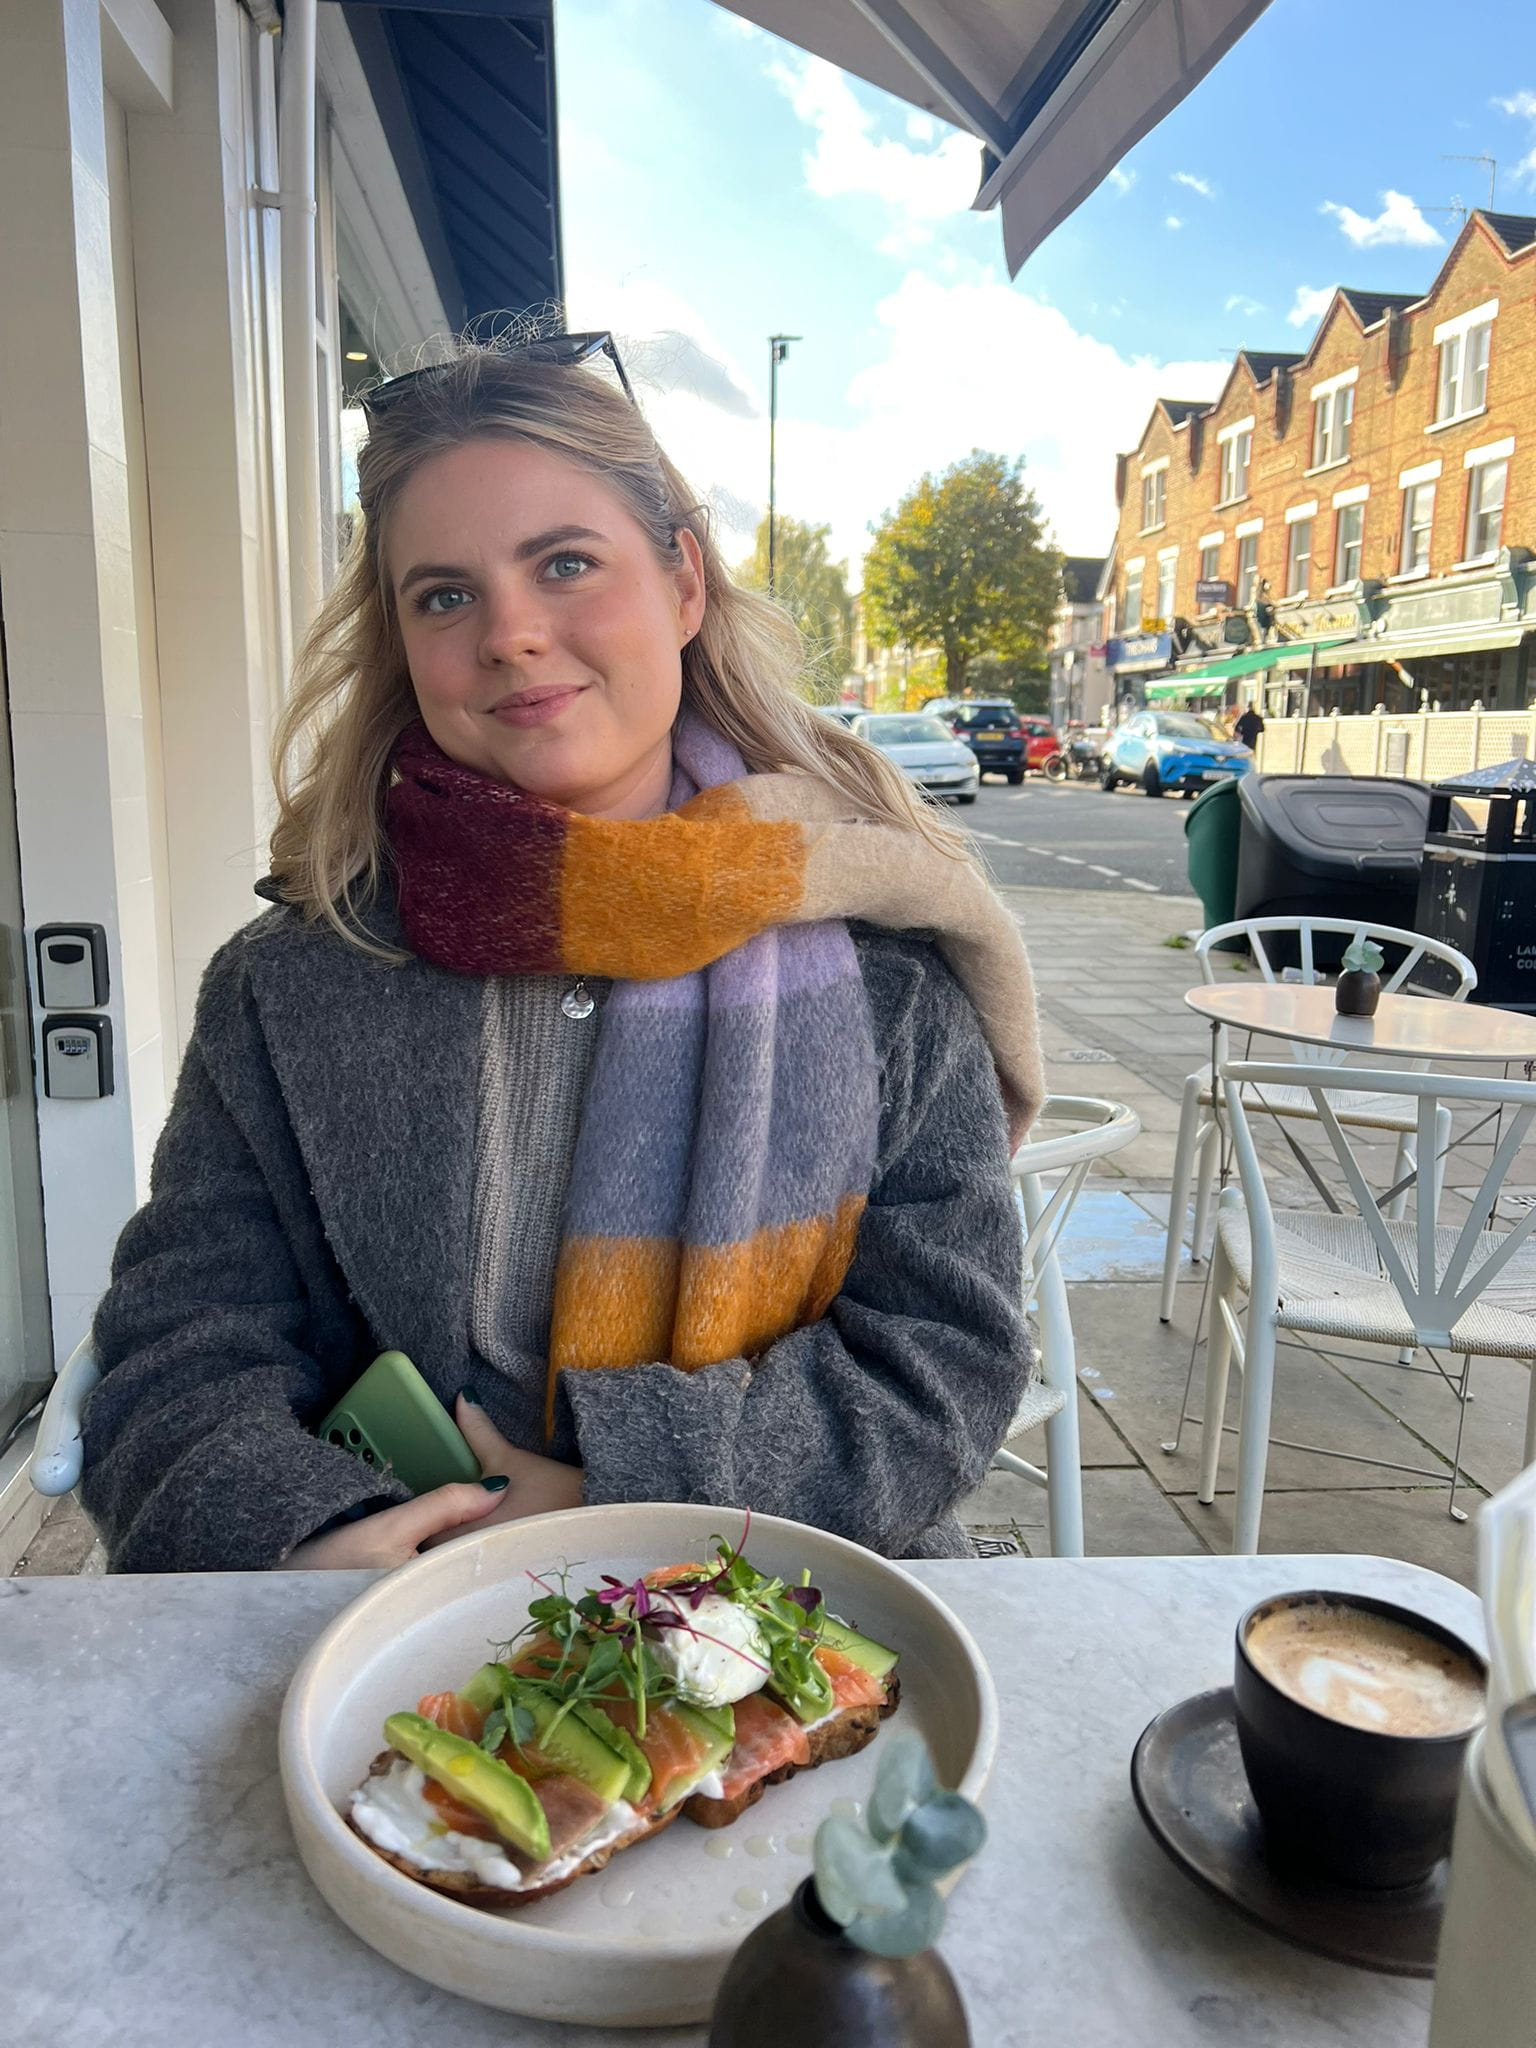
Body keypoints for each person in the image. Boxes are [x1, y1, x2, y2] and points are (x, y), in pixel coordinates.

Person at [79, 337, 1044, 1574]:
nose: (513, 633)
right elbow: (179, 1339)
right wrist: (305, 1536)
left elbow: (942, 1362)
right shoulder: (291, 983)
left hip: (793, 1619)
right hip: (387, 1635)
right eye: (445, 594)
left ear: (683, 585)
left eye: (567, 564)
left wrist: (623, 1493)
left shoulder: (889, 980)